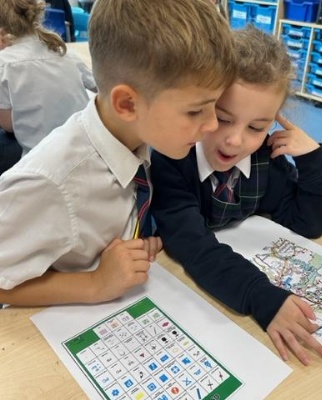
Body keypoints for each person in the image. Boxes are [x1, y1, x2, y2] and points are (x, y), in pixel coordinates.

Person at [0, 0, 237, 306]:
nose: (213, 124)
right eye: (195, 111)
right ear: (127, 104)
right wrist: (94, 284)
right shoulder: (51, 183)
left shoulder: (143, 136)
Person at [151, 26, 322, 366]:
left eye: (256, 127)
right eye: (222, 118)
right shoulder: (172, 159)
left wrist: (313, 161)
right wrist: (260, 295)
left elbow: (307, 223)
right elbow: (192, 246)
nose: (235, 141)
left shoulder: (266, 160)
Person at [0, 0, 95, 161]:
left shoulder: (4, 64)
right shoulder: (64, 52)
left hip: (41, 160)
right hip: (85, 150)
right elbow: (98, 86)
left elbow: (9, 126)